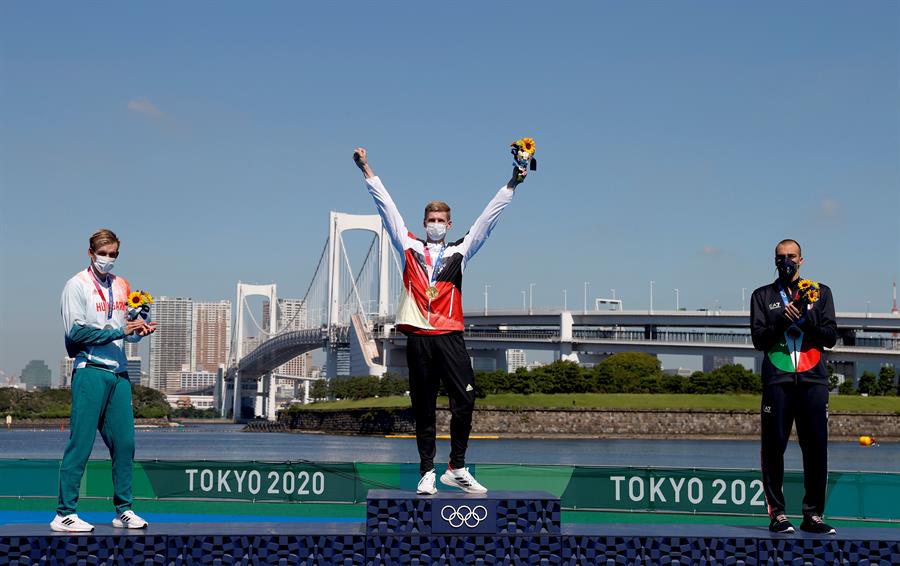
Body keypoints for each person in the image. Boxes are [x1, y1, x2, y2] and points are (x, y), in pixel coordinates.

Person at [353, 147, 525, 495]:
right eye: (430, 220)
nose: (435, 225)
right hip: (419, 338)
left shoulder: (461, 251)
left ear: (449, 225)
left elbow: (488, 219)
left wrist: (513, 182)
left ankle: (456, 467)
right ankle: (427, 472)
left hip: (449, 336)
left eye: (440, 221)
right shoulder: (409, 247)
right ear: (424, 224)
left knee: (466, 399)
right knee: (424, 407)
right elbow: (386, 208)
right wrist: (366, 169)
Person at [51, 229, 156, 532]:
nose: (108, 259)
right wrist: (120, 331)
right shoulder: (76, 285)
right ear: (90, 253)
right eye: (103, 253)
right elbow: (76, 332)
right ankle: (64, 513)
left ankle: (124, 510)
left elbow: (124, 330)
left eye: (113, 254)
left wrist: (137, 331)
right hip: (90, 370)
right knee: (81, 443)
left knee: (125, 443)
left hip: (118, 374)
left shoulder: (122, 285)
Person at [750, 239, 837, 535]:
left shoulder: (820, 292)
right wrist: (780, 321)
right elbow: (759, 340)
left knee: (816, 449)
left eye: (791, 256)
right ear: (775, 260)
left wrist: (807, 321)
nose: (786, 261)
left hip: (813, 380)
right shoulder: (762, 295)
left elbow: (830, 337)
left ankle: (813, 515)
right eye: (781, 257)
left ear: (801, 260)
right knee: (773, 447)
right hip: (778, 380)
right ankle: (777, 514)